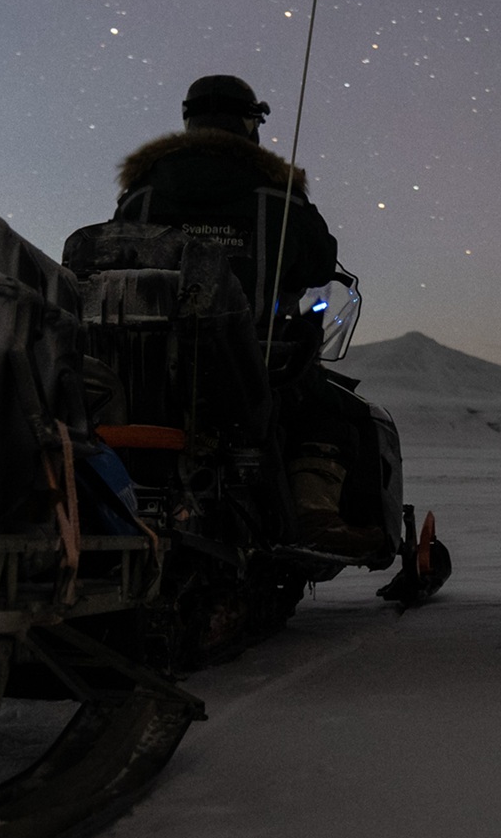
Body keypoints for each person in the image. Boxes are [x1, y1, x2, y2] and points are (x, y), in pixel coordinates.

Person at [113, 74, 383, 556]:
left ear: (189, 120)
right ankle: (315, 514)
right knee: (336, 415)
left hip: (144, 367)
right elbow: (319, 263)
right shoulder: (277, 194)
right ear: (249, 122)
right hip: (255, 361)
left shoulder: (139, 196)